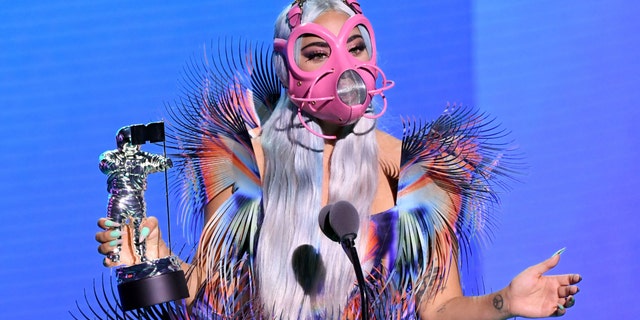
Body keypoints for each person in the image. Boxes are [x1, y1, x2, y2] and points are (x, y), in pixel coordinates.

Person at [95, 0, 581, 318]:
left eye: (355, 46)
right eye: (317, 53)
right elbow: (204, 284)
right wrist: (151, 262)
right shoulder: (246, 161)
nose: (342, 68)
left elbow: (440, 307)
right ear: (288, 68)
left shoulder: (418, 173)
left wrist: (505, 303)